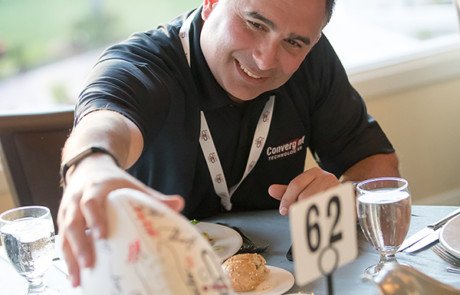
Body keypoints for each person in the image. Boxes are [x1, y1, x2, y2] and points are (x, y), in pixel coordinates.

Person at [58, 0, 400, 287]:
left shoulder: (312, 61)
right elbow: (105, 120)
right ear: (210, 3)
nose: (266, 60)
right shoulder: (147, 62)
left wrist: (346, 195)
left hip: (277, 281)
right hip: (153, 280)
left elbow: (379, 166)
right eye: (254, 23)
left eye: (294, 43)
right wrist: (93, 164)